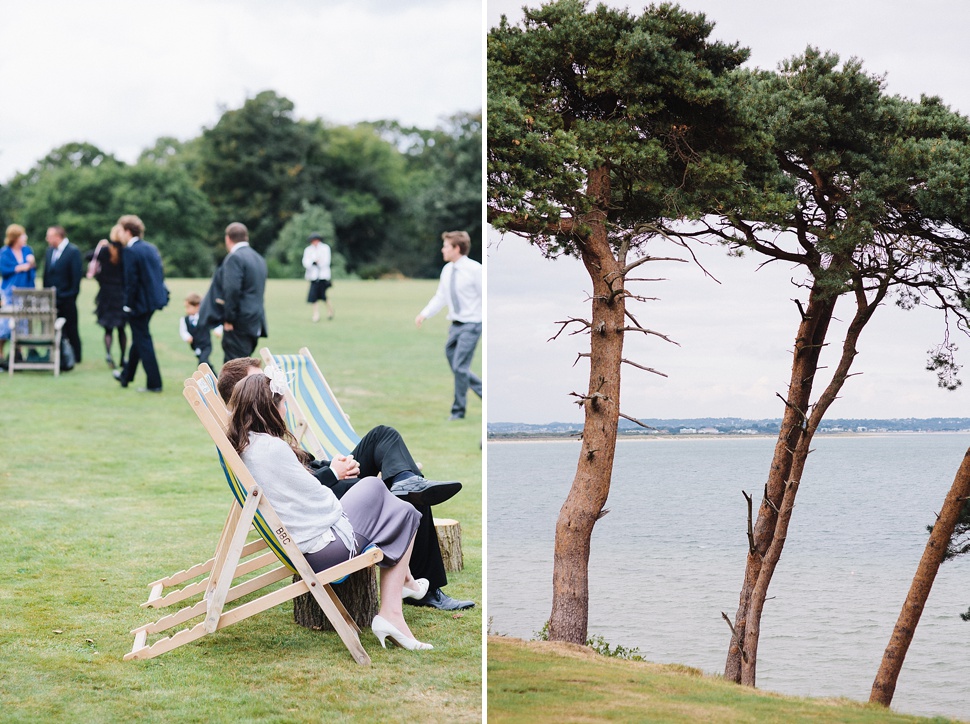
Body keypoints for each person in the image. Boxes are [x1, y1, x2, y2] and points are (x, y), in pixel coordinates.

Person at [217, 357, 475, 611]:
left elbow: (297, 474)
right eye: (259, 379)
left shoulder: (253, 435)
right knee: (409, 498)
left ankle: (407, 481)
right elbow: (296, 493)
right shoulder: (261, 445)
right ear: (246, 393)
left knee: (383, 437)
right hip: (320, 499)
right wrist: (333, 473)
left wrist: (332, 465)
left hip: (323, 476)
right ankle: (428, 590)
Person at [228, 371, 432, 650]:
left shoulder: (248, 446)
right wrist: (338, 481)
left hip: (310, 542)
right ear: (269, 408)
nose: (285, 409)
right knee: (399, 505)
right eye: (283, 402)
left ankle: (398, 599)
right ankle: (394, 606)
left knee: (388, 498)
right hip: (325, 550)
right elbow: (320, 499)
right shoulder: (273, 449)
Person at [415, 230, 483, 420]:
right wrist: (424, 313)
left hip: (472, 324)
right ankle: (483, 393)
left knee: (460, 367)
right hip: (455, 326)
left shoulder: (475, 270)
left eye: (446, 246)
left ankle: (458, 412)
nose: (442, 249)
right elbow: (441, 296)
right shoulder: (447, 270)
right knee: (457, 366)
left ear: (457, 248)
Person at [114, 215, 168, 393]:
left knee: (143, 340)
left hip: (138, 304)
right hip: (152, 301)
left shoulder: (130, 251)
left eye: (121, 230)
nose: (119, 234)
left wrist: (127, 305)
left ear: (128, 231)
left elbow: (132, 281)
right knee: (139, 338)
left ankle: (154, 383)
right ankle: (126, 376)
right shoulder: (150, 247)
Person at [219, 222, 267, 363]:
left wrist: (228, 318)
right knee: (245, 364)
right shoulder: (259, 258)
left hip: (239, 322)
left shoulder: (235, 258)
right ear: (246, 237)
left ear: (228, 238)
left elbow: (232, 290)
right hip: (256, 320)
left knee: (233, 369)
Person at [88, 224, 127, 369]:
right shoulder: (126, 252)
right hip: (121, 294)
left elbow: (89, 256)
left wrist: (100, 247)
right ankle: (123, 357)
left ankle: (109, 353)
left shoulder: (105, 251)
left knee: (108, 329)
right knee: (122, 329)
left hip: (106, 294)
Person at [42, 225, 83, 365]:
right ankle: (58, 355)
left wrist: (70, 295)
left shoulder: (73, 251)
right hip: (52, 298)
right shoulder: (49, 251)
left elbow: (76, 277)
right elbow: (46, 274)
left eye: (49, 236)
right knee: (52, 328)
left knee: (71, 328)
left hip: (67, 298)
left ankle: (76, 357)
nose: (47, 239)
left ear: (58, 236)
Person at [0, 224, 37, 365]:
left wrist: (32, 264)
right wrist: (19, 267)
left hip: (26, 291)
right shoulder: (5, 252)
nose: (25, 237)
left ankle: (18, 354)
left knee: (23, 323)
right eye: (23, 235)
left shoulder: (27, 250)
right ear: (15, 237)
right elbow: (3, 270)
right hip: (9, 293)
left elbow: (32, 272)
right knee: (5, 324)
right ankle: (1, 354)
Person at [179, 292, 221, 367]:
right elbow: (183, 331)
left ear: (197, 306)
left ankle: (205, 375)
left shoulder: (204, 317)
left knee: (202, 361)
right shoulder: (185, 320)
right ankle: (213, 376)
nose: (186, 310)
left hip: (206, 345)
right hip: (195, 345)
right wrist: (187, 337)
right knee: (205, 363)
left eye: (188, 307)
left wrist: (217, 331)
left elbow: (216, 323)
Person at [302, 232, 333, 322]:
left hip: (323, 276)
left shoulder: (325, 248)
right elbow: (305, 261)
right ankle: (316, 315)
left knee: (323, 296)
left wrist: (319, 263)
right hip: (313, 276)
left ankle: (330, 311)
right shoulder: (308, 250)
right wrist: (313, 262)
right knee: (313, 297)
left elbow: (326, 261)